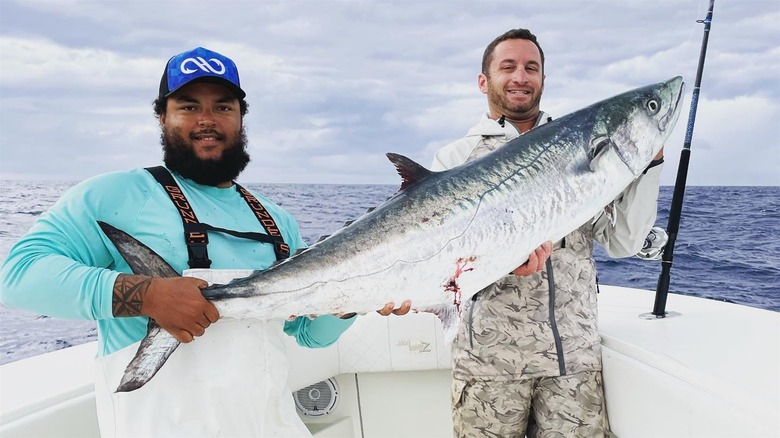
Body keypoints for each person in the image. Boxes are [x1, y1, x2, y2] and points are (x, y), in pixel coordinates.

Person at [0, 46, 410, 437]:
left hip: (269, 425)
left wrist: (352, 301)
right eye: (189, 106)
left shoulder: (275, 219)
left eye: (223, 106)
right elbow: (17, 275)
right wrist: (148, 295)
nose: (207, 119)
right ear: (162, 116)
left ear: (241, 118)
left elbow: (306, 333)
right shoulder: (114, 195)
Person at [431, 29, 664, 437]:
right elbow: (439, 258)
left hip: (573, 362)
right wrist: (503, 265)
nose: (521, 76)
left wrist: (648, 166)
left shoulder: (585, 147)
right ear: (483, 81)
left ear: (543, 80)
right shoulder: (454, 158)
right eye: (508, 66)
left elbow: (623, 242)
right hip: (489, 366)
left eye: (531, 68)